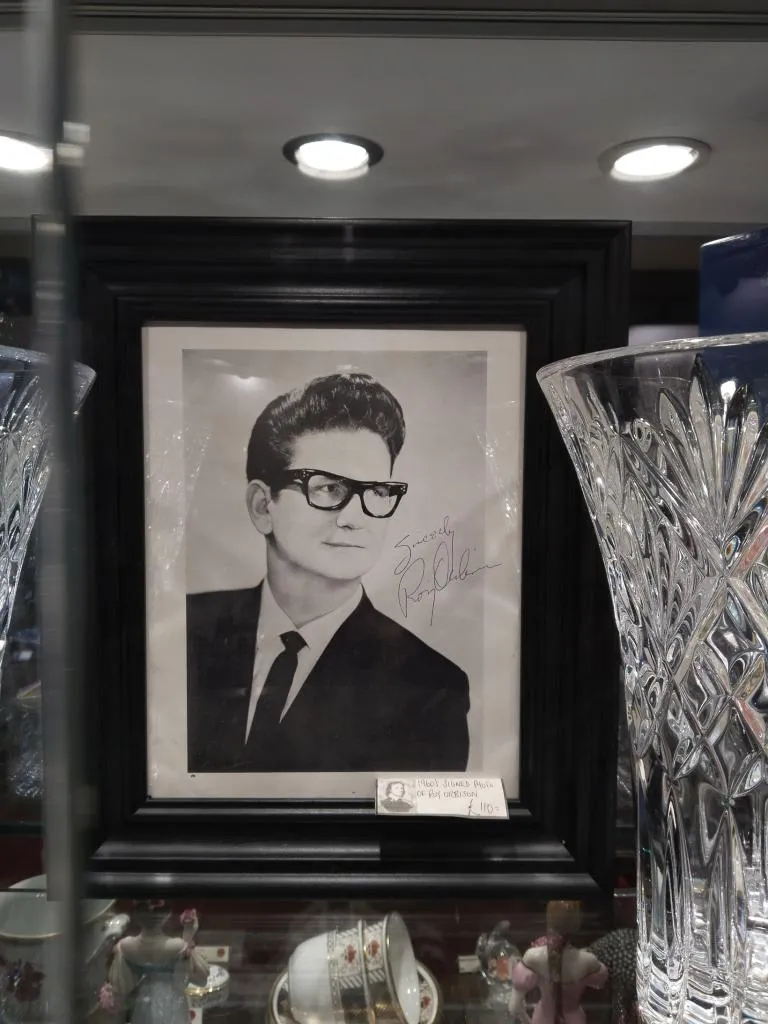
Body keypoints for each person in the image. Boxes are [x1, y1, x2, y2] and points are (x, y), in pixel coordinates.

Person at [186, 370, 470, 773]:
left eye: (377, 492)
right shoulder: (179, 629)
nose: (356, 518)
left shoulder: (432, 688)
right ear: (262, 507)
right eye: (327, 488)